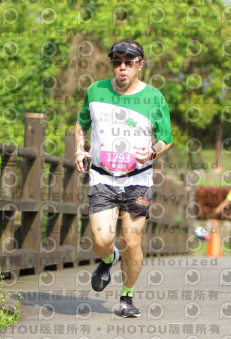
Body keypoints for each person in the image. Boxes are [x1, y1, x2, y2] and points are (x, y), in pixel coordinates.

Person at [74, 39, 173, 318]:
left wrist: (152, 152)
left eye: (129, 63)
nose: (122, 68)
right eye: (117, 62)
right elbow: (81, 123)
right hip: (102, 176)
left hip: (137, 179)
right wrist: (79, 148)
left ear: (140, 65)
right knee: (102, 239)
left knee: (132, 240)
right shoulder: (96, 90)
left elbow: (166, 137)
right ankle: (109, 259)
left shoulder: (154, 98)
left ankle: (127, 296)